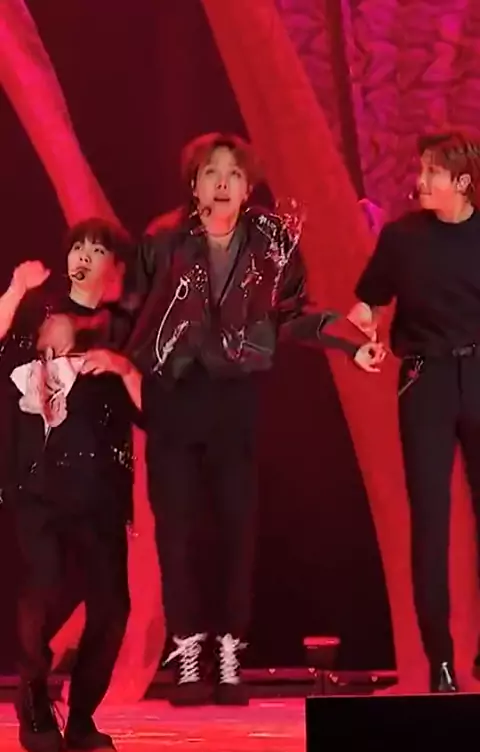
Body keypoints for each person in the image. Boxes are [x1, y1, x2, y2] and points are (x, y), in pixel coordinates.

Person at [41, 133, 386, 706]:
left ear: (249, 187)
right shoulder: (164, 239)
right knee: (176, 532)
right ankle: (188, 652)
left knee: (235, 529)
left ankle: (228, 652)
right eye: (210, 173)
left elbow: (293, 314)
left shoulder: (271, 241)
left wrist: (351, 343)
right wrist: (86, 336)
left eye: (233, 174)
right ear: (194, 185)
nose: (222, 184)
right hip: (172, 400)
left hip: (235, 400)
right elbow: (131, 311)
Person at [0, 218, 142, 752]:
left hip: (101, 487)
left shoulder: (126, 328)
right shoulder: (39, 310)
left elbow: (153, 409)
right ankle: (35, 700)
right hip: (40, 479)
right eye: (77, 246)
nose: (83, 255)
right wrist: (17, 289)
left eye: (97, 249)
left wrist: (122, 367)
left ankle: (82, 717)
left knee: (112, 607)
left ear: (115, 267)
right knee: (44, 584)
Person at [348, 129, 480, 693]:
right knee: (429, 522)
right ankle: (440, 659)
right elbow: (369, 301)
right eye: (421, 169)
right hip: (425, 380)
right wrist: (362, 328)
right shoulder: (402, 238)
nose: (420, 181)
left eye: (432, 172)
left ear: (463, 183)